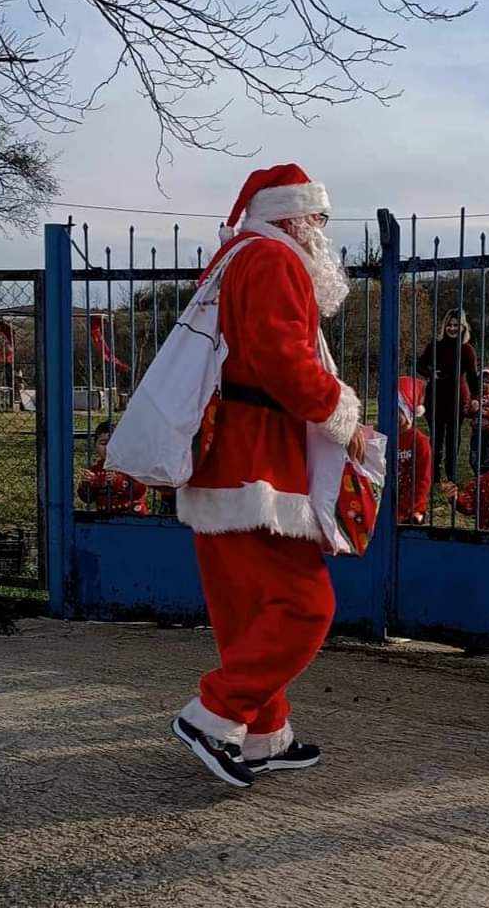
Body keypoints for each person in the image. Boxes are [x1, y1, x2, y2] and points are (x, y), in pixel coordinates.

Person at [168, 164, 363, 788]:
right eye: (316, 220)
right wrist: (343, 413)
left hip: (219, 459)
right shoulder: (275, 261)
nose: (320, 233)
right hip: (259, 465)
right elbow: (284, 363)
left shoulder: (232, 259)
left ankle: (262, 736)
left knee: (247, 612)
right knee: (307, 606)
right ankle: (214, 715)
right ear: (292, 217)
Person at [418, 309, 479, 483]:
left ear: (463, 327)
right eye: (449, 325)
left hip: (456, 399)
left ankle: (451, 473)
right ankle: (434, 473)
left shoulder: (467, 350)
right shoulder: (435, 345)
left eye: (456, 325)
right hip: (435, 398)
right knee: (436, 438)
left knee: (454, 438)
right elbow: (420, 365)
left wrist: (475, 397)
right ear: (445, 326)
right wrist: (431, 373)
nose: (452, 328)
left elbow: (473, 376)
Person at [76, 421, 148, 515]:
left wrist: (118, 481)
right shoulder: (95, 470)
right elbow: (87, 499)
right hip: (105, 519)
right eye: (103, 443)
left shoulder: (131, 466)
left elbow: (140, 491)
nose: (109, 448)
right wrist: (87, 485)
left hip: (133, 518)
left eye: (114, 443)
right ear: (95, 446)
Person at [396, 375, 432, 525]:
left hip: (413, 505)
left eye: (398, 410)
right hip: (390, 503)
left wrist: (414, 507)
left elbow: (423, 479)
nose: (392, 414)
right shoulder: (384, 435)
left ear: (409, 413)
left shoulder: (420, 442)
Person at [467, 366, 489, 475]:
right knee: (474, 457)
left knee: (488, 457)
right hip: (476, 432)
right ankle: (477, 475)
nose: (484, 384)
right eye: (481, 381)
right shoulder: (475, 398)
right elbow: (468, 413)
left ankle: (487, 475)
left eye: (487, 382)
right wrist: (472, 409)